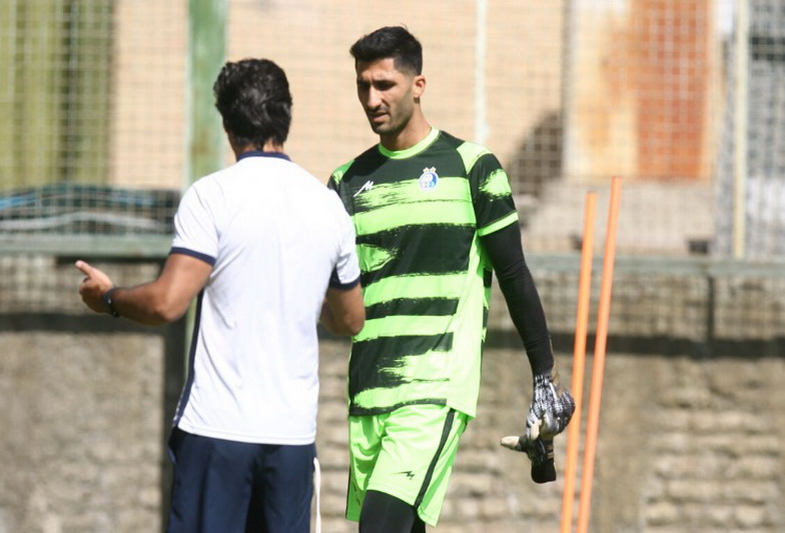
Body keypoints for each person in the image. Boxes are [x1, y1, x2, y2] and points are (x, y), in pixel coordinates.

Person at [76, 58, 365, 532]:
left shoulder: (212, 195)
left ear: (228, 125)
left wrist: (110, 298)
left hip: (217, 432)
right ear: (286, 117)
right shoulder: (328, 206)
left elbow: (166, 303)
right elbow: (350, 319)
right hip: (291, 438)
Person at [327, 26, 574, 532]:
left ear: (418, 85)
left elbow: (513, 273)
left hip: (432, 389)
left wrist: (544, 376)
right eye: (363, 86)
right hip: (367, 393)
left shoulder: (472, 168)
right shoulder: (346, 181)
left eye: (385, 85)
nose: (372, 100)